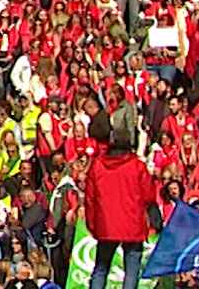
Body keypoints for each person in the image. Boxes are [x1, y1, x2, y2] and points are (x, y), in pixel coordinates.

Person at [82, 122, 159, 289]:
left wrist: (93, 225)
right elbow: (149, 195)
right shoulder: (137, 166)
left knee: (101, 268)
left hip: (106, 224)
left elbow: (90, 199)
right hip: (132, 223)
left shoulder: (98, 165)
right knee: (131, 270)